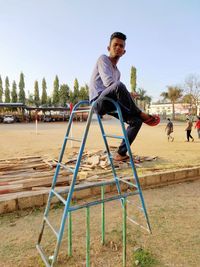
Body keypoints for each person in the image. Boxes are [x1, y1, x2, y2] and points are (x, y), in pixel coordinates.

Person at [89, 32, 160, 161]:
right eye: (115, 45)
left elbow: (114, 89)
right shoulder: (103, 59)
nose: (118, 48)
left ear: (124, 51)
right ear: (108, 48)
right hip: (98, 102)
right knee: (119, 86)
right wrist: (124, 91)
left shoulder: (118, 72)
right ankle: (141, 113)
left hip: (111, 102)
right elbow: (110, 84)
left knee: (136, 122)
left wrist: (128, 94)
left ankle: (121, 153)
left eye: (121, 46)